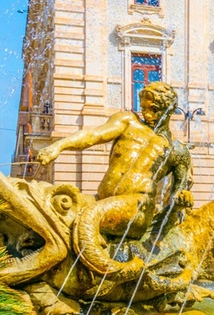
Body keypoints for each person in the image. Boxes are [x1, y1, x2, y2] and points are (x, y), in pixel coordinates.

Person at [37, 82, 192, 280]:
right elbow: (94, 135)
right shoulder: (128, 121)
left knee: (89, 217)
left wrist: (182, 198)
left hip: (137, 208)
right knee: (53, 206)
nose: (147, 114)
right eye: (143, 108)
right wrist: (58, 146)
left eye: (153, 110)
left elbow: (178, 194)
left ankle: (110, 275)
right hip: (101, 200)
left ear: (169, 110)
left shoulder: (178, 151)